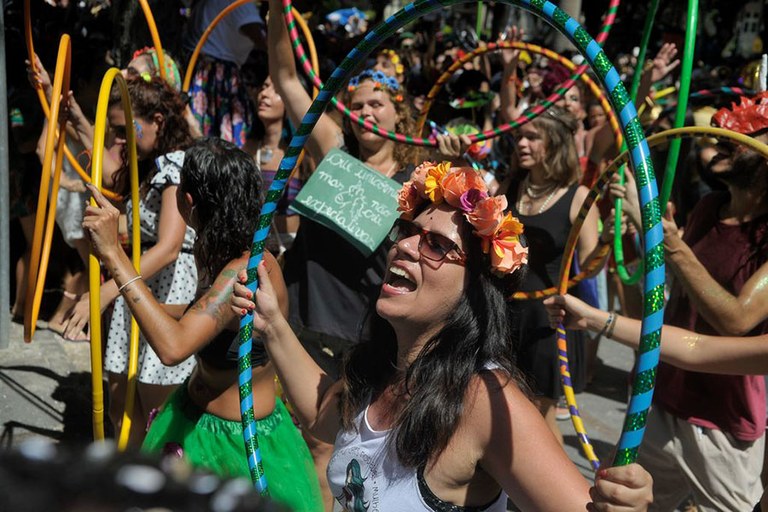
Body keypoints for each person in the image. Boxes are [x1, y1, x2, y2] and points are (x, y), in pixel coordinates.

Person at [232, 162, 653, 511]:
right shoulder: (382, 367)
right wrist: (272, 323)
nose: (405, 247)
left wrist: (623, 503)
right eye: (406, 232)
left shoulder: (484, 399)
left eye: (435, 244)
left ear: (473, 288)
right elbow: (324, 416)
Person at [79, 138, 323, 511]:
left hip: (236, 446)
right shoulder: (221, 251)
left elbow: (173, 348)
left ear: (188, 202)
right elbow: (204, 315)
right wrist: (142, 305)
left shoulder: (246, 269)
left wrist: (114, 255)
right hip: (193, 422)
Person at [266, 0, 421, 505]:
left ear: (400, 112)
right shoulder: (334, 152)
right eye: (357, 105)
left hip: (362, 337)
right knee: (302, 439)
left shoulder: (418, 181)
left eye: (378, 103)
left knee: (330, 445)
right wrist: (277, 12)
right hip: (302, 318)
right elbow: (287, 79)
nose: (366, 113)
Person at [608, 91, 768, 511]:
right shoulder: (710, 206)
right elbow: (671, 286)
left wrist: (673, 245)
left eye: (742, 138)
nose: (720, 143)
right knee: (628, 504)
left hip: (721, 422)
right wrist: (637, 231)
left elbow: (737, 320)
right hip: (661, 399)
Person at [62, 76, 199, 447]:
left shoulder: (176, 166)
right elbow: (108, 172)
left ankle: (154, 477)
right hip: (135, 286)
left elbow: (169, 246)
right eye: (116, 131)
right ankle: (126, 471)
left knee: (157, 415)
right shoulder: (150, 164)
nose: (119, 140)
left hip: (163, 292)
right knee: (121, 406)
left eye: (125, 130)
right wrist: (76, 118)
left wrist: (106, 291)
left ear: (158, 121)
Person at [498, 106, 611, 444]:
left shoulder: (578, 197)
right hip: (504, 314)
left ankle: (559, 478)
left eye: (533, 137)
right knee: (501, 411)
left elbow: (590, 267)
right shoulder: (512, 186)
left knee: (538, 418)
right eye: (520, 136)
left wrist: (608, 241)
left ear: (556, 143)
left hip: (546, 320)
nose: (522, 143)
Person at [183, 0, 266, 147]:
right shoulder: (241, 3)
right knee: (229, 136)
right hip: (218, 75)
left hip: (199, 71)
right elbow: (262, 40)